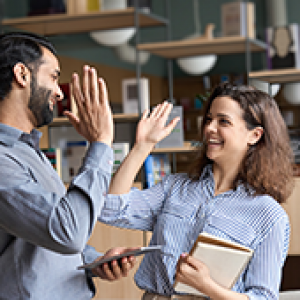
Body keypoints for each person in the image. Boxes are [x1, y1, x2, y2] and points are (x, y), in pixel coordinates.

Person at [98, 83, 294, 299]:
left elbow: (264, 297)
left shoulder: (269, 215)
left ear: (255, 135)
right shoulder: (175, 187)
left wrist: (206, 286)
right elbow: (110, 209)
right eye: (209, 119)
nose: (210, 128)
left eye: (224, 122)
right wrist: (143, 145)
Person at [0, 31, 137, 299]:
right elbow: (69, 232)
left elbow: (39, 232)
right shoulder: (3, 159)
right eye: (53, 76)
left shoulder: (28, 151)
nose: (58, 93)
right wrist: (101, 142)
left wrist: (92, 261)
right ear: (22, 75)